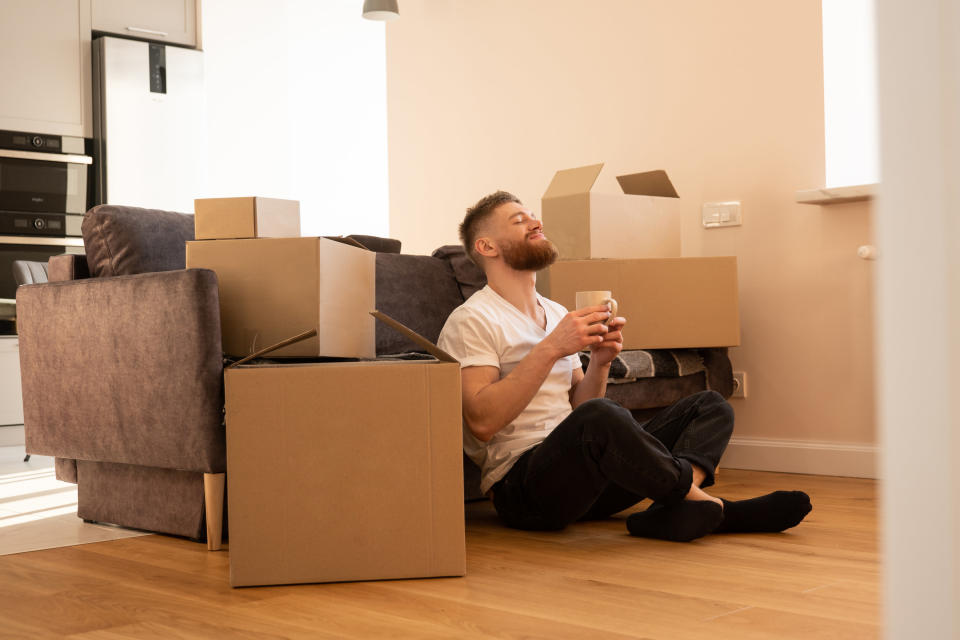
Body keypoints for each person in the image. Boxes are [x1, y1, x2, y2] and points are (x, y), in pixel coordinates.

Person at [437, 191, 812, 542]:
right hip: (524, 490)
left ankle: (676, 507)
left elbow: (580, 411)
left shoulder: (555, 313)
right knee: (604, 414)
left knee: (710, 404)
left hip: (586, 482)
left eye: (534, 217)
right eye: (519, 220)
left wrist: (600, 363)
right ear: (485, 246)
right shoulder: (472, 320)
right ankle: (717, 510)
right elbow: (482, 423)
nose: (535, 223)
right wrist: (552, 347)